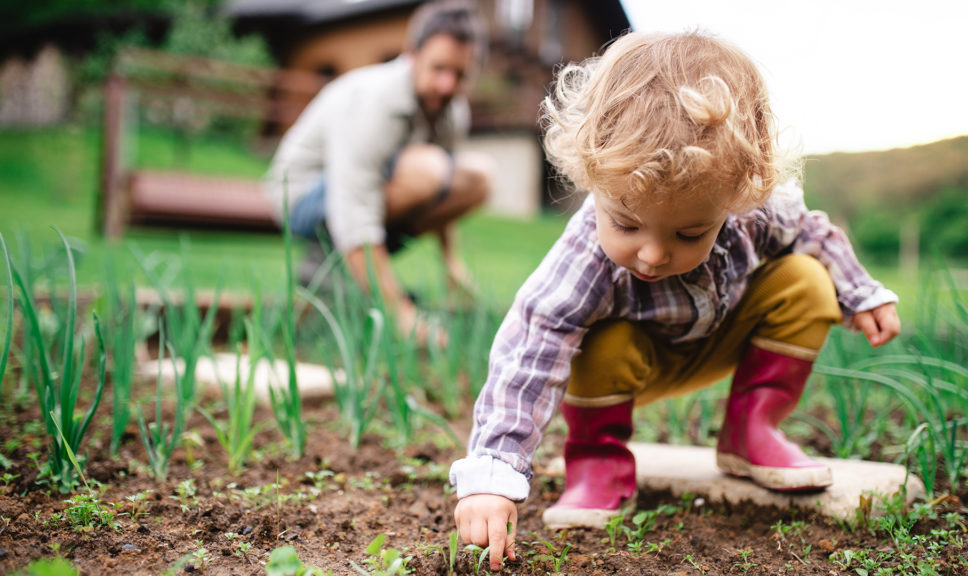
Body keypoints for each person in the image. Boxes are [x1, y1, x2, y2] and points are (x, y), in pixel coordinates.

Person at [448, 31, 901, 570]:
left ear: (735, 197)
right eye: (627, 223)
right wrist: (493, 474)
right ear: (594, 180)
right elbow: (530, 345)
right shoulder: (584, 255)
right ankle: (597, 460)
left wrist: (860, 292)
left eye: (690, 233)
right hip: (628, 367)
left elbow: (814, 233)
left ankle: (751, 430)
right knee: (593, 338)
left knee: (805, 278)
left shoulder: (752, 211)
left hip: (721, 337)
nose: (653, 254)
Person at [262, 0, 492, 344]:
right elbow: (354, 206)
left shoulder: (451, 109)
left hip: (366, 194)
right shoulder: (373, 100)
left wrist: (451, 264)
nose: (447, 85)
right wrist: (400, 312)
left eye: (460, 74)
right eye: (438, 68)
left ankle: (347, 274)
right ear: (411, 55)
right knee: (428, 168)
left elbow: (445, 188)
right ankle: (331, 270)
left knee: (477, 178)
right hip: (302, 197)